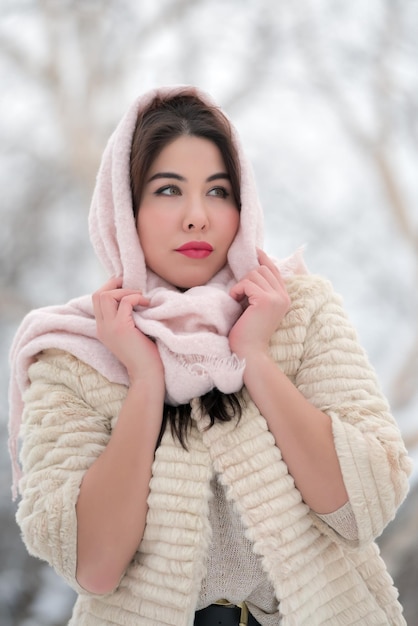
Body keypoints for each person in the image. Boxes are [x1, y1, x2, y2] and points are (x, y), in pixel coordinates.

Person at [8, 85, 412, 626]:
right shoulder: (74, 354)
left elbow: (364, 508)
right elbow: (95, 567)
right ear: (124, 209)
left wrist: (256, 358)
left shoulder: (298, 311)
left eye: (219, 191)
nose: (198, 216)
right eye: (169, 190)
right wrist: (145, 379)